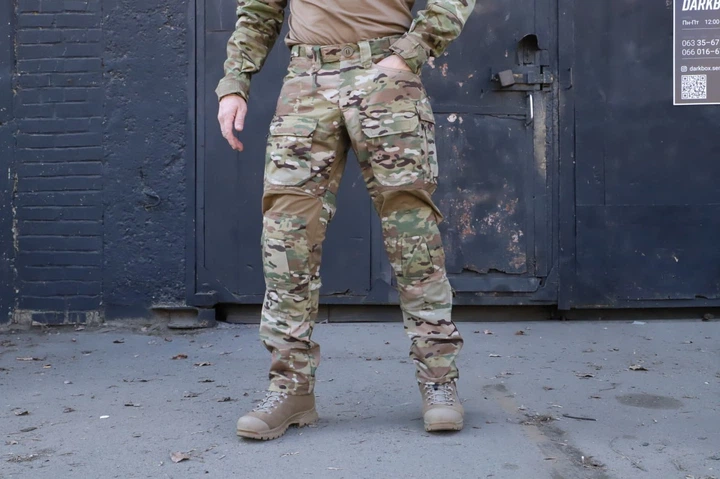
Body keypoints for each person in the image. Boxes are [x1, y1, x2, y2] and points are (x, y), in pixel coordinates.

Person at [216, 0, 475, 440]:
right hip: (306, 81)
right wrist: (234, 82)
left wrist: (410, 52)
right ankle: (291, 389)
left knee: (412, 236)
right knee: (286, 239)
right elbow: (259, 9)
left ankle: (439, 380)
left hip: (386, 77)